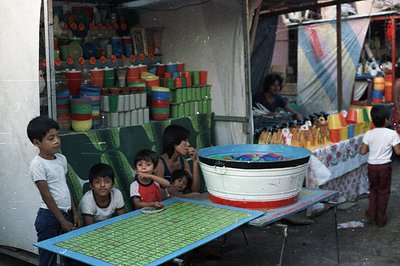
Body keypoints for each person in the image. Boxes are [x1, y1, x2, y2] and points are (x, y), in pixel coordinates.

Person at [27, 116, 80, 266]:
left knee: (71, 254)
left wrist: (74, 211)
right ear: (37, 143)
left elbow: (66, 185)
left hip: (67, 212)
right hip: (49, 217)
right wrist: (62, 220)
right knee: (48, 258)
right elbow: (46, 194)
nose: (57, 140)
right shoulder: (37, 165)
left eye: (58, 136)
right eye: (51, 138)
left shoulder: (61, 159)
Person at [361, 105, 400, 227]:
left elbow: (362, 151)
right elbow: (398, 152)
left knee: (373, 190)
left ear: (372, 121)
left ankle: (371, 214)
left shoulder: (368, 134)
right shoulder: (392, 134)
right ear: (387, 120)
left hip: (371, 166)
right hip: (384, 167)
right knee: (383, 192)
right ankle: (381, 219)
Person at [154, 124, 201, 193]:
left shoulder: (183, 161)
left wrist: (195, 162)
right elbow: (161, 193)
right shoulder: (160, 163)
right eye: (184, 140)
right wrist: (187, 197)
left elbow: (195, 190)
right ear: (174, 141)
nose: (188, 144)